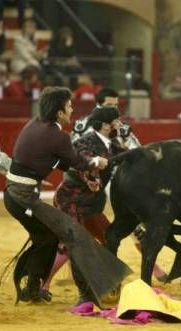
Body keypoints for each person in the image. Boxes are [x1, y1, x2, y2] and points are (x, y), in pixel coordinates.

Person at [2, 87, 131, 304]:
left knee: (48, 237)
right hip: (23, 198)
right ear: (60, 113)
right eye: (69, 105)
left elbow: (60, 161)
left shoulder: (35, 124)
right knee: (74, 235)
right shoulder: (57, 136)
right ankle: (85, 295)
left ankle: (33, 288)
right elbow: (76, 161)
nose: (72, 109)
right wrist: (95, 163)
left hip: (15, 195)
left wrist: (87, 175)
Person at [43, 106, 127, 303]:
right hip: (70, 200)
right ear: (106, 125)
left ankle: (107, 283)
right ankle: (43, 285)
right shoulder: (85, 142)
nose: (120, 124)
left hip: (90, 205)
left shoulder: (111, 144)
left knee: (109, 237)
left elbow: (128, 154)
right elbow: (81, 162)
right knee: (71, 244)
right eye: (117, 121)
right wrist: (90, 177)